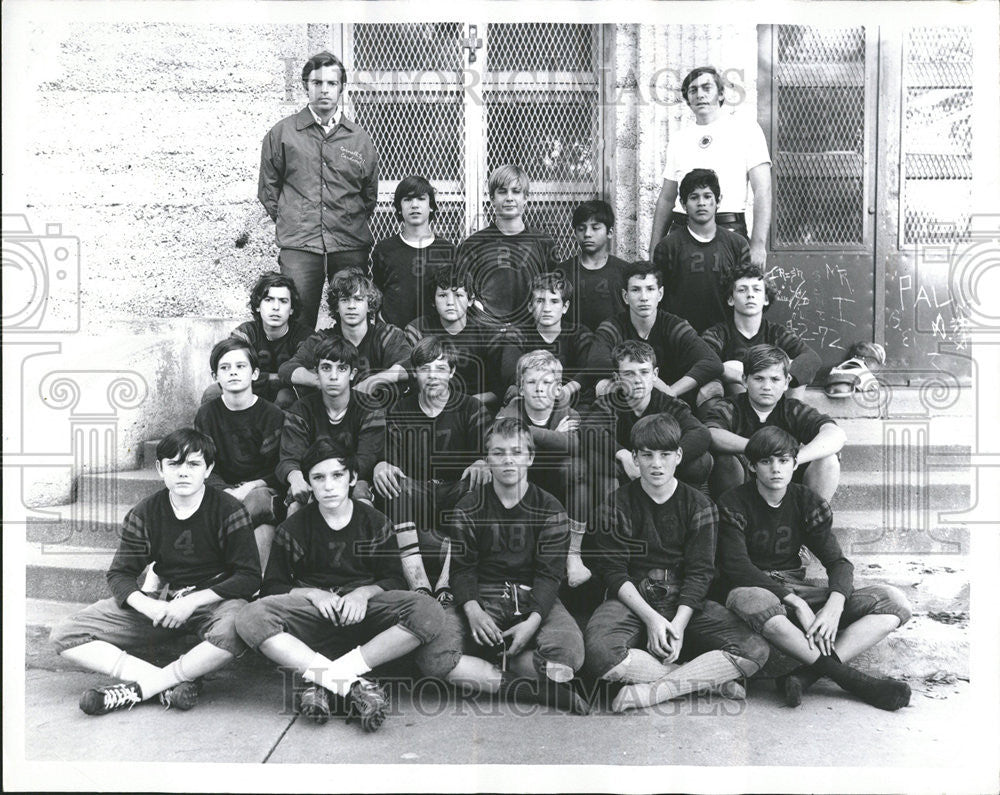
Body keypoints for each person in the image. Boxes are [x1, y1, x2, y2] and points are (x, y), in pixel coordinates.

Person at [235, 438, 448, 732]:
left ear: (352, 478)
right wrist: (312, 593)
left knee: (429, 611)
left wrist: (363, 593)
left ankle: (325, 679)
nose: (329, 485)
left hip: (364, 615)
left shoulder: (375, 522)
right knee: (249, 617)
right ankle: (353, 685)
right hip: (313, 615)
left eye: (337, 475)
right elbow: (273, 586)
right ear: (309, 483)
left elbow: (394, 580)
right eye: (318, 478)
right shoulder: (293, 528)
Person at [50, 429, 261, 715]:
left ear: (209, 469)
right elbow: (120, 574)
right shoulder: (146, 512)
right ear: (160, 469)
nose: (183, 473)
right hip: (163, 604)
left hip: (215, 602)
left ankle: (144, 689)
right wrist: (148, 604)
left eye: (194, 464)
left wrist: (192, 602)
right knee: (66, 633)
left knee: (238, 628)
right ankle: (164, 683)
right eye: (174, 464)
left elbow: (248, 577)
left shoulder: (228, 509)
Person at [716, 427, 912, 711]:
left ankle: (804, 676)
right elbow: (737, 566)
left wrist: (835, 603)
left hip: (797, 590)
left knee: (894, 602)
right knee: (755, 599)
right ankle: (852, 679)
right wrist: (796, 602)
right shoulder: (733, 502)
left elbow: (838, 562)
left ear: (795, 464)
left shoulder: (806, 501)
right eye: (766, 462)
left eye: (783, 461)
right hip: (755, 591)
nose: (775, 469)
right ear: (751, 466)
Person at [583, 414, 769, 713]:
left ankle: (653, 693)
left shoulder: (699, 505)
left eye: (665, 455)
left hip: (684, 599)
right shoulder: (615, 504)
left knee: (755, 649)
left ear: (679, 456)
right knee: (599, 654)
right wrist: (652, 619)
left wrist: (678, 625)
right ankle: (705, 682)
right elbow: (613, 572)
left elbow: (700, 572)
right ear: (635, 457)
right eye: (647, 455)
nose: (656, 464)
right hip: (633, 597)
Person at [440, 417, 589, 714]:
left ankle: (494, 660)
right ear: (488, 459)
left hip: (532, 594)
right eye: (498, 453)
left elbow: (550, 575)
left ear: (530, 457)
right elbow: (462, 569)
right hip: (483, 595)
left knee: (569, 656)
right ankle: (532, 690)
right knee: (434, 652)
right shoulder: (469, 506)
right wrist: (472, 611)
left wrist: (533, 621)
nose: (508, 460)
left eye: (517, 452)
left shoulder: (549, 508)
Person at [258, 50, 379, 329]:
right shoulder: (283, 134)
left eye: (332, 84)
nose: (324, 90)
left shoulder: (359, 138)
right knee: (297, 321)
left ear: (341, 88)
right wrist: (293, 218)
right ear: (305, 86)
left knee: (354, 319)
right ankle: (297, 372)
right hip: (300, 245)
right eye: (317, 83)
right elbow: (269, 189)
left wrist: (345, 217)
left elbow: (368, 194)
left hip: (348, 243)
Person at [373, 336, 494, 598]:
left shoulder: (471, 407)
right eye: (425, 369)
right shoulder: (401, 410)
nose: (432, 376)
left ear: (451, 372)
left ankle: (447, 582)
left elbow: (492, 451)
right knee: (395, 487)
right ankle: (418, 582)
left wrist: (483, 461)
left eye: (440, 368)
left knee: (478, 486)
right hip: (418, 492)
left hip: (456, 492)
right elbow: (391, 461)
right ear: (415, 373)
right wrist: (382, 465)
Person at [648, 66, 771, 267]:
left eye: (707, 88)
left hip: (729, 230)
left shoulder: (746, 130)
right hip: (682, 231)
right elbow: (667, 197)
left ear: (721, 93)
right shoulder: (679, 139)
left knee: (727, 296)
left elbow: (762, 190)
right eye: (693, 90)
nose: (700, 95)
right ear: (688, 99)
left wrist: (758, 244)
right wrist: (654, 247)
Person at [699, 344, 845, 502]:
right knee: (724, 460)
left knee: (828, 459)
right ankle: (732, 519)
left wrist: (792, 459)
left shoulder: (792, 410)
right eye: (759, 378)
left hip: (785, 482)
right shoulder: (731, 407)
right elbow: (712, 433)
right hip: (744, 484)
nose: (767, 387)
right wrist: (761, 449)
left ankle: (810, 519)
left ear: (786, 382)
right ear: (745, 380)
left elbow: (835, 434)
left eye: (775, 379)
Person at [497, 351, 589, 588]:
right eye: (531, 382)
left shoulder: (569, 413)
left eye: (547, 382)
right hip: (523, 482)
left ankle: (573, 554)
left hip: (557, 483)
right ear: (520, 388)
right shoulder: (512, 409)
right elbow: (504, 436)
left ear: (558, 390)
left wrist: (526, 431)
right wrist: (554, 436)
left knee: (577, 468)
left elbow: (574, 445)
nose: (539, 389)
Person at [194, 338, 285, 570]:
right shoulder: (207, 415)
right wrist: (226, 492)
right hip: (222, 491)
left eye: (240, 366)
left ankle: (209, 556)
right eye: (225, 368)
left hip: (261, 491)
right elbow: (203, 464)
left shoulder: (272, 415)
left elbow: (279, 468)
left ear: (254, 373)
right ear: (215, 376)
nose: (233, 373)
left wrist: (247, 488)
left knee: (258, 500)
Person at [277, 337, 386, 514]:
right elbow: (289, 457)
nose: (333, 376)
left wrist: (332, 480)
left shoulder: (369, 407)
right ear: (317, 372)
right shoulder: (301, 409)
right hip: (313, 480)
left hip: (353, 479)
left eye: (342, 368)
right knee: (296, 503)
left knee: (361, 498)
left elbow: (366, 459)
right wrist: (295, 476)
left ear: (352, 373)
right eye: (326, 368)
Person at [587, 341, 713, 493]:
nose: (638, 380)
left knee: (701, 461)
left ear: (655, 374)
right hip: (628, 472)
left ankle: (681, 505)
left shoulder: (667, 403)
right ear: (617, 378)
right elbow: (589, 428)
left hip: (663, 471)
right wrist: (624, 455)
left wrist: (665, 460)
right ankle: (615, 511)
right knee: (597, 459)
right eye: (629, 373)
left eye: (644, 372)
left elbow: (700, 432)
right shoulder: (609, 402)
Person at [595, 261, 723, 407]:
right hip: (632, 397)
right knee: (604, 386)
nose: (644, 297)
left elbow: (712, 363)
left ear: (660, 294)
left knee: (713, 387)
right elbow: (596, 363)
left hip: (675, 401)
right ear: (625, 296)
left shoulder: (674, 325)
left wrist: (671, 392)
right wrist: (654, 382)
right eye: (636, 290)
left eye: (650, 289)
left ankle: (711, 428)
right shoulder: (613, 326)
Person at [455, 164, 561, 328]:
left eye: (516, 191)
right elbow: (461, 295)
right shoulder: (473, 244)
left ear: (525, 197)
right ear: (492, 198)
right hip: (485, 333)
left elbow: (554, 292)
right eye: (502, 191)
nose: (509, 197)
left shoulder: (543, 243)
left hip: (531, 332)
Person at [700, 263, 821, 403]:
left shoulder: (776, 332)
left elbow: (812, 357)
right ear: (731, 299)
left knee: (797, 369)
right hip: (736, 405)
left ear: (766, 299)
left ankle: (791, 417)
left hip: (773, 397)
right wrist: (742, 376)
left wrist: (779, 377)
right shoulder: (718, 333)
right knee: (734, 366)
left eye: (756, 290)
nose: (750, 295)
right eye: (742, 290)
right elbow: (703, 361)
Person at [279, 272, 412, 398]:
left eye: (358, 299)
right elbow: (287, 369)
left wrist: (373, 381)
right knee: (285, 395)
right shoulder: (324, 339)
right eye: (344, 300)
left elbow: (411, 364)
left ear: (370, 305)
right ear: (336, 306)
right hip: (333, 410)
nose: (351, 306)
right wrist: (321, 382)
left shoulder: (386, 335)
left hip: (375, 411)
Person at [652, 168, 750, 334]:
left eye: (707, 196)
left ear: (718, 201)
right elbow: (659, 298)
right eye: (694, 197)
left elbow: (746, 295)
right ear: (683, 204)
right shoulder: (668, 247)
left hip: (725, 336)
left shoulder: (737, 245)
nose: (701, 203)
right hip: (680, 337)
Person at [200, 272, 312, 410]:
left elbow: (308, 375)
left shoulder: (304, 335)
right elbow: (233, 369)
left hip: (286, 397)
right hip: (249, 391)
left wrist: (264, 378)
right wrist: (278, 378)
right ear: (258, 306)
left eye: (283, 301)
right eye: (268, 300)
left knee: (285, 396)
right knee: (213, 393)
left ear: (291, 309)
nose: (275, 307)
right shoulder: (246, 333)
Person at [498, 272, 603, 408]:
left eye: (554, 301)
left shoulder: (579, 334)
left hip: (569, 401)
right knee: (513, 393)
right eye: (540, 301)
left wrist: (566, 390)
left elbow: (587, 370)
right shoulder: (518, 334)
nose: (546, 308)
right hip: (532, 398)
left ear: (565, 307)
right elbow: (510, 372)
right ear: (530, 306)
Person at [404, 265, 501, 404]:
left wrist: (466, 404)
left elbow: (498, 390)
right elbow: (412, 379)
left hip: (474, 407)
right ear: (433, 300)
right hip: (429, 405)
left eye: (458, 295)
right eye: (443, 295)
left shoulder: (487, 334)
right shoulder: (417, 329)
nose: (450, 302)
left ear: (471, 300)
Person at [370, 175, 457, 329]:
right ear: (399, 207)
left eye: (421, 199)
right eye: (407, 199)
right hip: (394, 338)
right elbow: (377, 296)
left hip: (434, 339)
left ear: (431, 206)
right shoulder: (385, 249)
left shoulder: (447, 250)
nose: (414, 205)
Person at [554, 200, 629, 331]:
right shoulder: (561, 272)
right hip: (573, 346)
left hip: (615, 346)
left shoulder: (625, 271)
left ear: (610, 232)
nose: (587, 234)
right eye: (581, 229)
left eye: (595, 228)